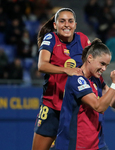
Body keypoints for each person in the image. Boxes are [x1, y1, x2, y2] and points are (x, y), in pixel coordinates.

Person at [31, 8, 91, 150]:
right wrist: (66, 70)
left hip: (74, 108)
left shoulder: (83, 39)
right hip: (51, 106)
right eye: (62, 21)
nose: (66, 25)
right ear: (55, 25)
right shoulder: (51, 38)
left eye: (70, 21)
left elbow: (92, 63)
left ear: (75, 25)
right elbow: (42, 65)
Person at [56, 38, 115, 150]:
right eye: (102, 64)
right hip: (75, 146)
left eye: (107, 65)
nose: (104, 69)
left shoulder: (97, 79)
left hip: (97, 145)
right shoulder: (77, 79)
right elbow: (99, 106)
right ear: (90, 58)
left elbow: (113, 102)